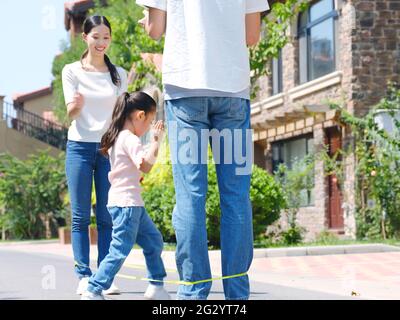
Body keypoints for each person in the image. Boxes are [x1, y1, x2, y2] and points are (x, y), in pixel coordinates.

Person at [137, 0, 270, 300]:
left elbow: (155, 31)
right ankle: (237, 294)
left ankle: (194, 292)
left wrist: (146, 21)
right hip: (233, 93)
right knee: (236, 195)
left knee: (190, 195)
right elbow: (252, 36)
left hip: (185, 92)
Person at [81, 91, 170, 300]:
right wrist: (156, 141)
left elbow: (131, 167)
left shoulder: (120, 137)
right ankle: (93, 289)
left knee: (154, 241)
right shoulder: (129, 138)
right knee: (119, 250)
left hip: (131, 204)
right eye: (148, 122)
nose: (148, 128)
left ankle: (156, 286)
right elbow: (146, 166)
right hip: (127, 205)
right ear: (140, 116)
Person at [62, 15, 128, 296]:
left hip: (107, 149)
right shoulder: (71, 71)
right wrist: (75, 107)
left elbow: (122, 117)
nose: (101, 42)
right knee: (80, 217)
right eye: (96, 37)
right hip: (78, 147)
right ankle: (83, 275)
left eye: (106, 37)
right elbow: (70, 113)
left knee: (107, 216)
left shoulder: (119, 74)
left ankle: (104, 275)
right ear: (84, 38)